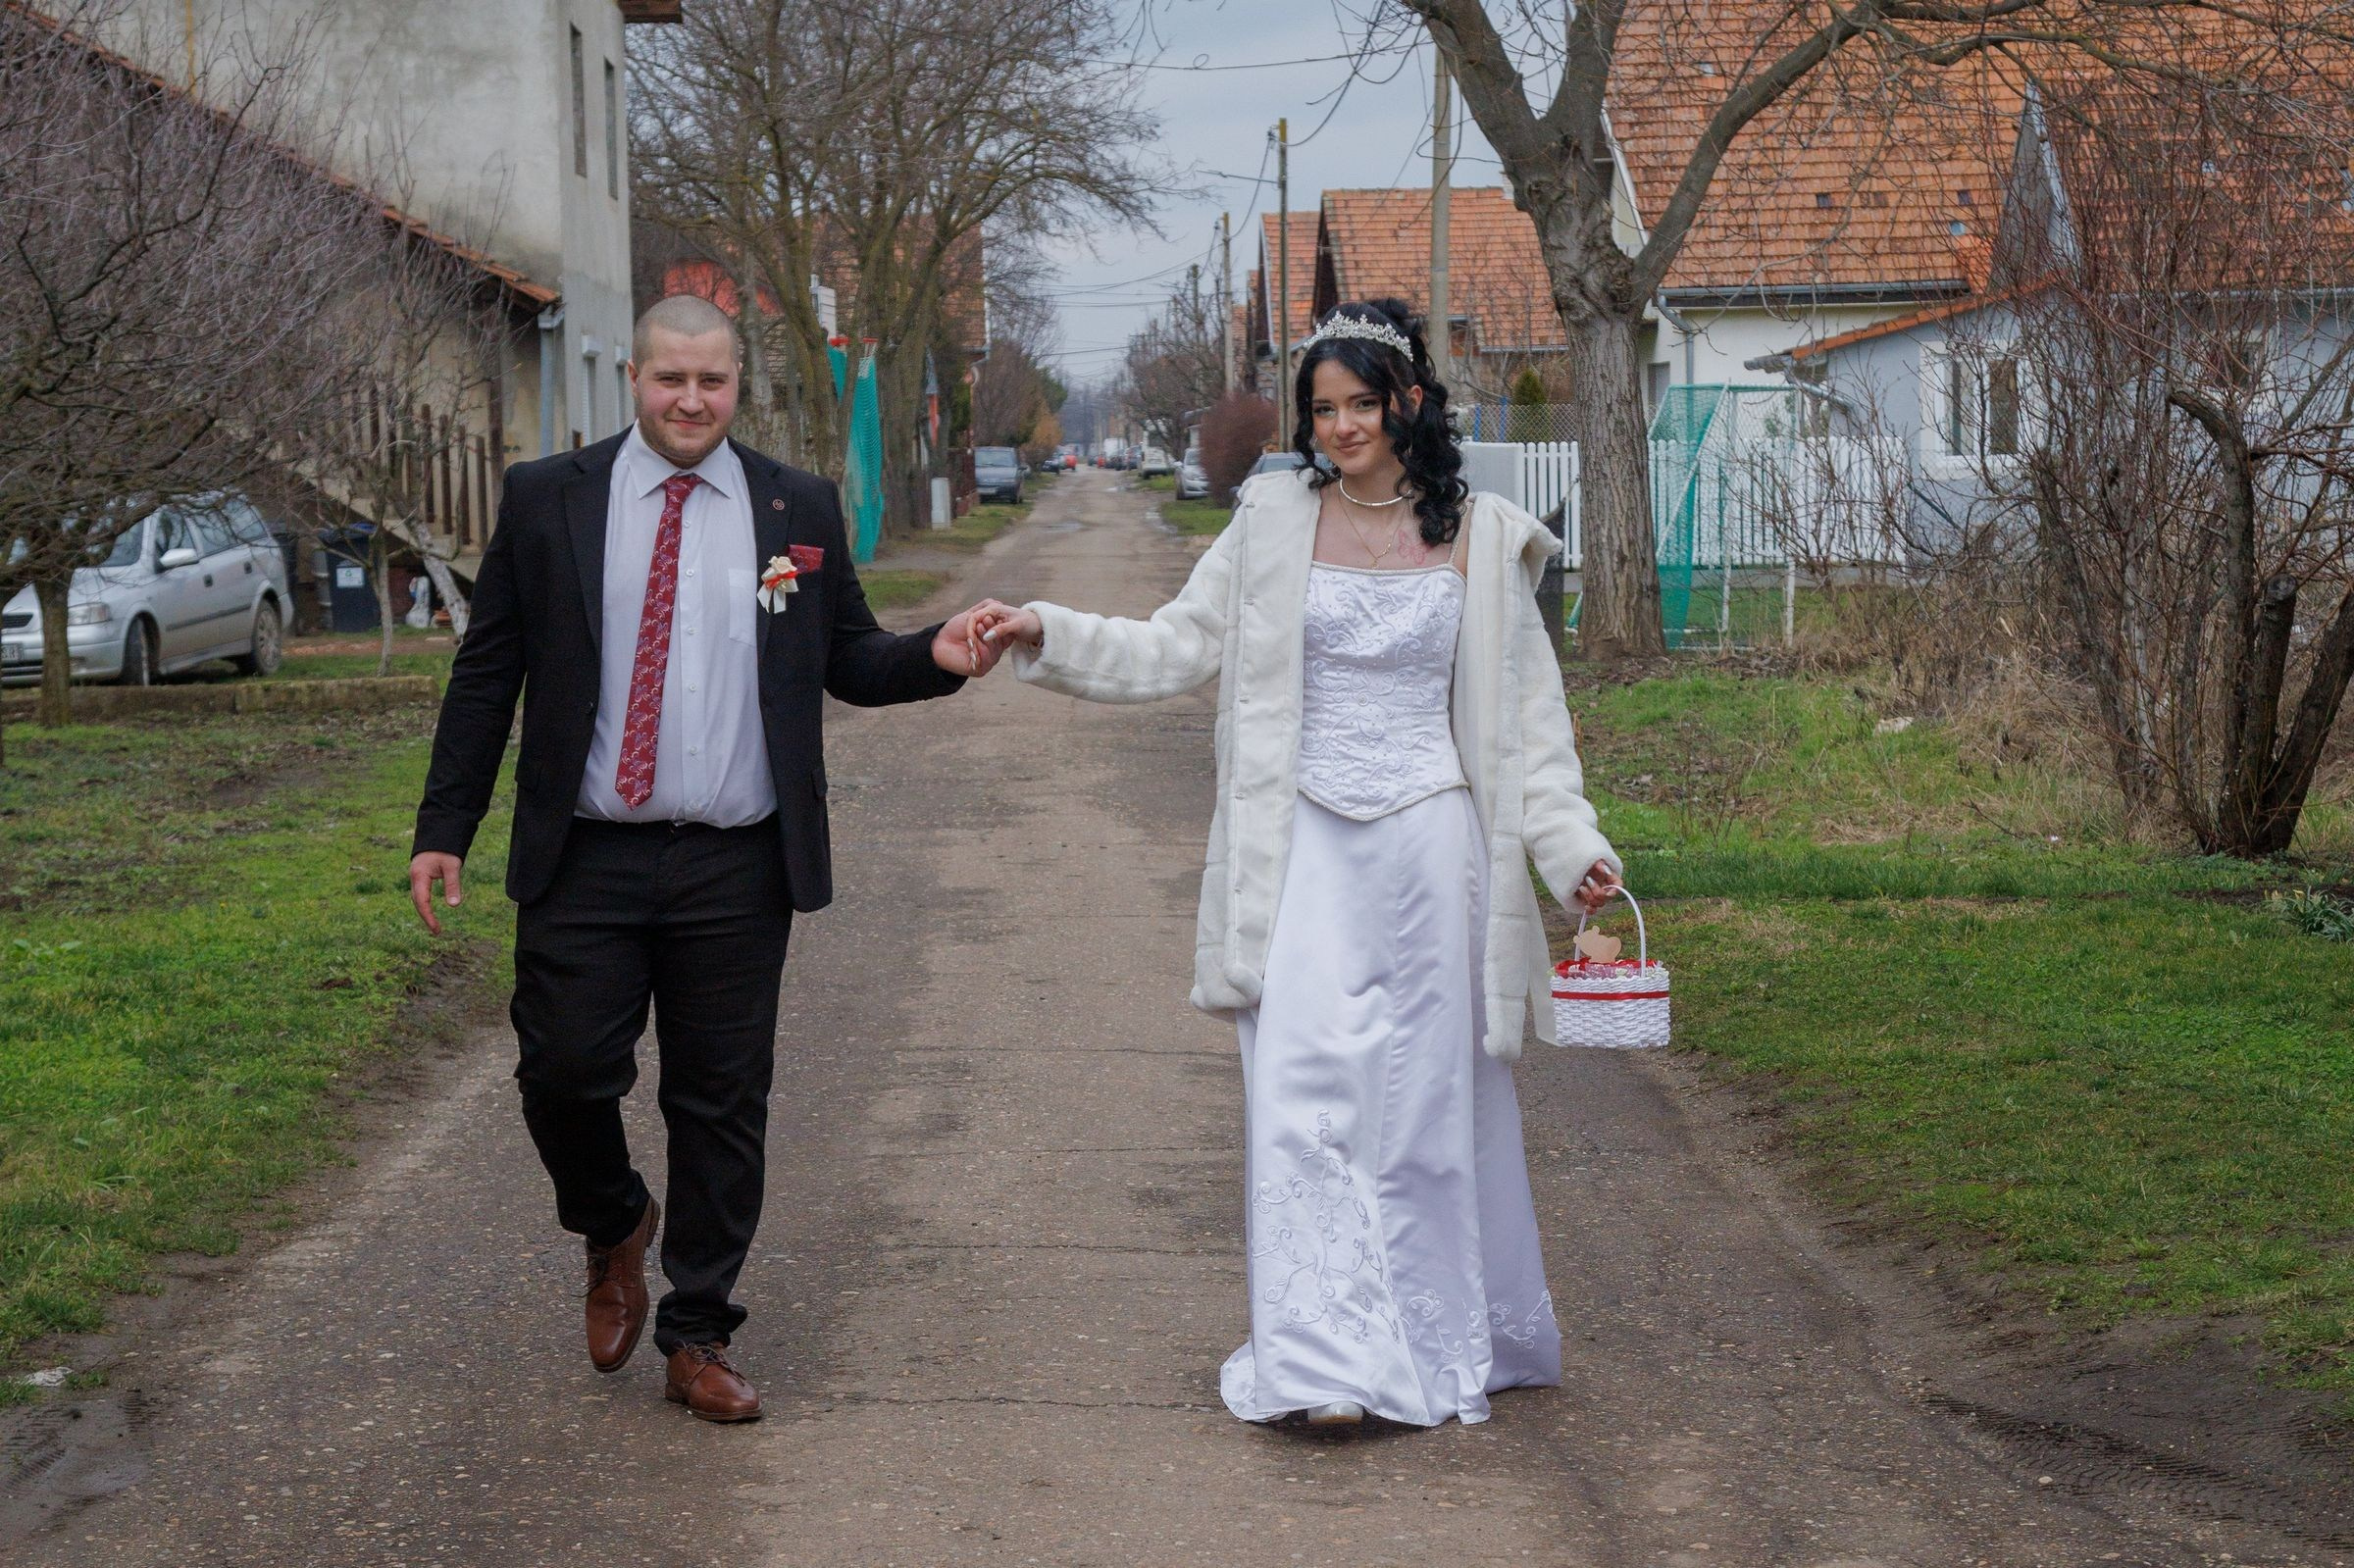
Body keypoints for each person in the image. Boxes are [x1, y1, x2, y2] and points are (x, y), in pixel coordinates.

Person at [964, 298, 1620, 1430]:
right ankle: (1321, 1362)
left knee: (1419, 1106)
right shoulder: (1270, 520)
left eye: (1362, 404)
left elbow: (1529, 730)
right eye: (1322, 409)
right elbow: (1177, 642)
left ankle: (1417, 1334)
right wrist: (1048, 631)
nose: (1341, 428)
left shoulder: (1479, 533)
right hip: (1305, 845)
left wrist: (1574, 857)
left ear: (1409, 401)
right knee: (1304, 1096)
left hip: (1430, 847)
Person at [408, 293, 1001, 1423]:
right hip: (586, 852)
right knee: (563, 1071)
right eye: (670, 379)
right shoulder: (549, 500)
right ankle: (614, 1216)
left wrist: (937, 652)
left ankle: (698, 1333)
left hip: (736, 861)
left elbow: (849, 659)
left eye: (713, 382)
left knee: (721, 1100)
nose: (691, 401)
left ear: (741, 386)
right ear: (634, 376)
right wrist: (445, 828)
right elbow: (489, 673)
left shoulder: (794, 507)